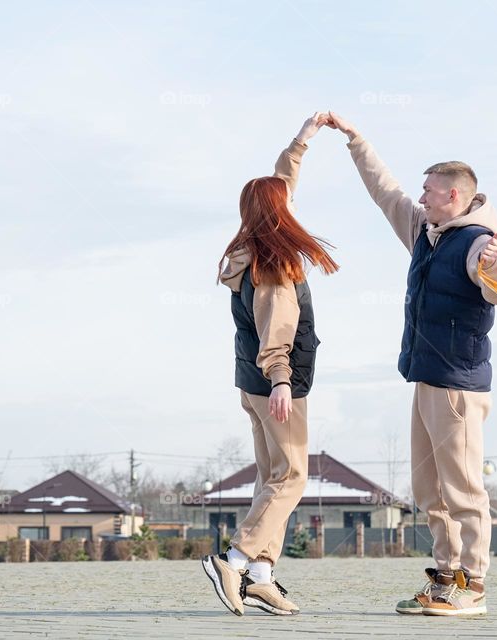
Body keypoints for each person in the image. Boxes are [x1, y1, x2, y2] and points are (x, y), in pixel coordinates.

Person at [325, 111, 497, 617]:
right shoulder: (425, 232)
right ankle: (444, 579)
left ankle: (472, 583)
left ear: (453, 195)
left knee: (463, 487)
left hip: (458, 386)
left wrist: (496, 271)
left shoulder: (477, 242)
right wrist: (355, 139)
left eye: (430, 189)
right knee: (429, 489)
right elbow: (384, 191)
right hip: (426, 380)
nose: (421, 195)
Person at [203, 112, 338, 617]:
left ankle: (261, 575)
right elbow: (277, 329)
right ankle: (235, 558)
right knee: (292, 478)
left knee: (270, 479)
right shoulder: (275, 266)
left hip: (250, 382)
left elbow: (281, 183)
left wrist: (303, 141)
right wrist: (283, 380)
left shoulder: (247, 250)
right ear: (279, 213)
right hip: (277, 383)